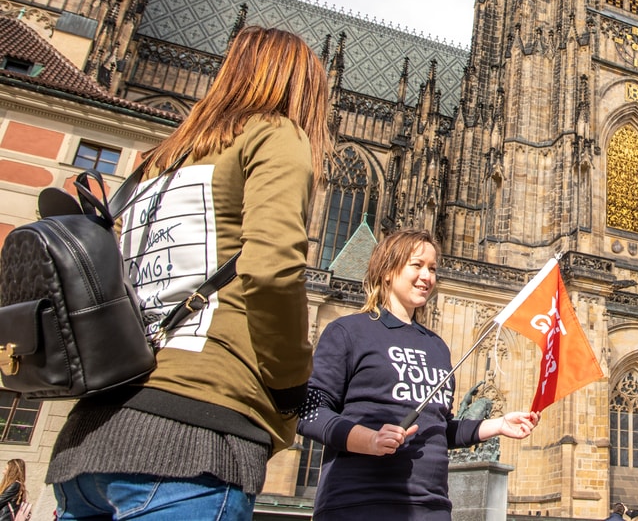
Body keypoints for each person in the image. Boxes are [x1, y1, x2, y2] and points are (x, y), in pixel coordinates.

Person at [46, 26, 333, 519]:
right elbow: (272, 270)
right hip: (194, 437)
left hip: (91, 438)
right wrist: (291, 386)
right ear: (298, 86)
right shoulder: (276, 133)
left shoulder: (157, 161)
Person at [297, 229, 540, 519]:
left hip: (431, 508)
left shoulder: (436, 347)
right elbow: (309, 412)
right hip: (360, 502)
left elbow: (438, 428)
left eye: (433, 268)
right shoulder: (350, 331)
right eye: (417, 265)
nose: (427, 276)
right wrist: (369, 440)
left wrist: (498, 425)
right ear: (387, 270)